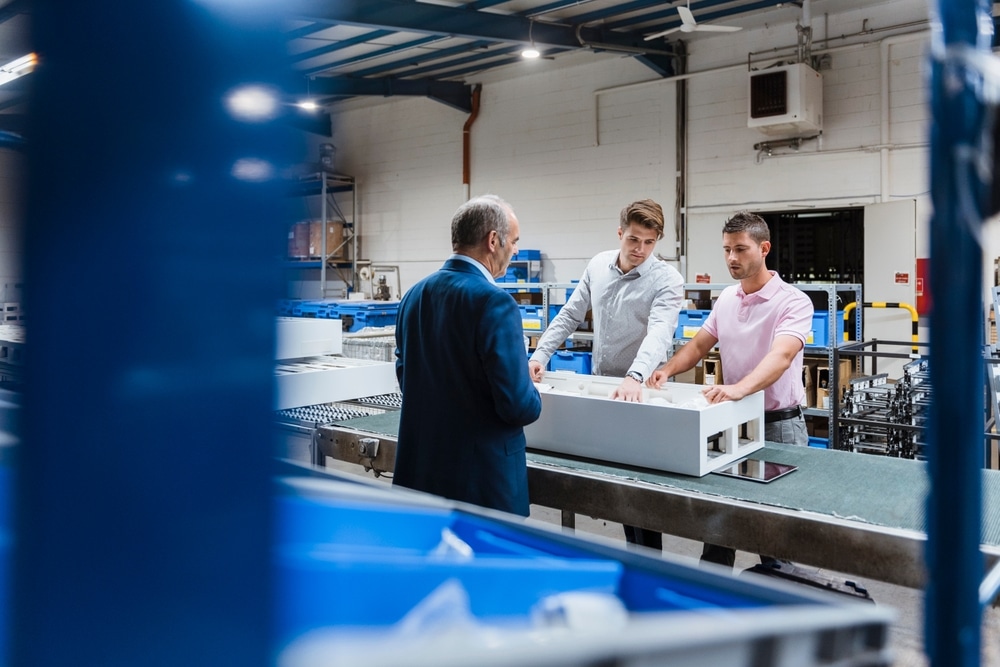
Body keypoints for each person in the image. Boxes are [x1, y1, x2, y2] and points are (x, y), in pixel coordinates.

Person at [648, 210, 813, 567]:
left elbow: (781, 356)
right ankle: (712, 600)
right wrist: (665, 371)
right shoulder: (726, 299)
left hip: (777, 425)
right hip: (730, 420)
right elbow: (697, 347)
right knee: (720, 519)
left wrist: (739, 388)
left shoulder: (793, 301)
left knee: (774, 527)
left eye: (740, 249)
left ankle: (778, 599)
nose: (732, 259)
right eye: (726, 250)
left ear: (764, 248)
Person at [528, 198, 684, 550]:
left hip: (640, 391)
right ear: (620, 233)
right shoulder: (598, 265)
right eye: (633, 240)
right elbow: (570, 313)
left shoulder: (667, 280)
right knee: (612, 483)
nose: (640, 249)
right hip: (601, 389)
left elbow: (660, 332)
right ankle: (630, 557)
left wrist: (635, 376)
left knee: (642, 488)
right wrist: (540, 354)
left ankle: (648, 562)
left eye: (649, 242)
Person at [393, 195, 542, 517]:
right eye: (513, 242)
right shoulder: (495, 302)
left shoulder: (414, 295)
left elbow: (409, 378)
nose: (514, 250)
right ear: (493, 240)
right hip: (481, 484)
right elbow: (517, 406)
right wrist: (528, 387)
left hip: (423, 472)